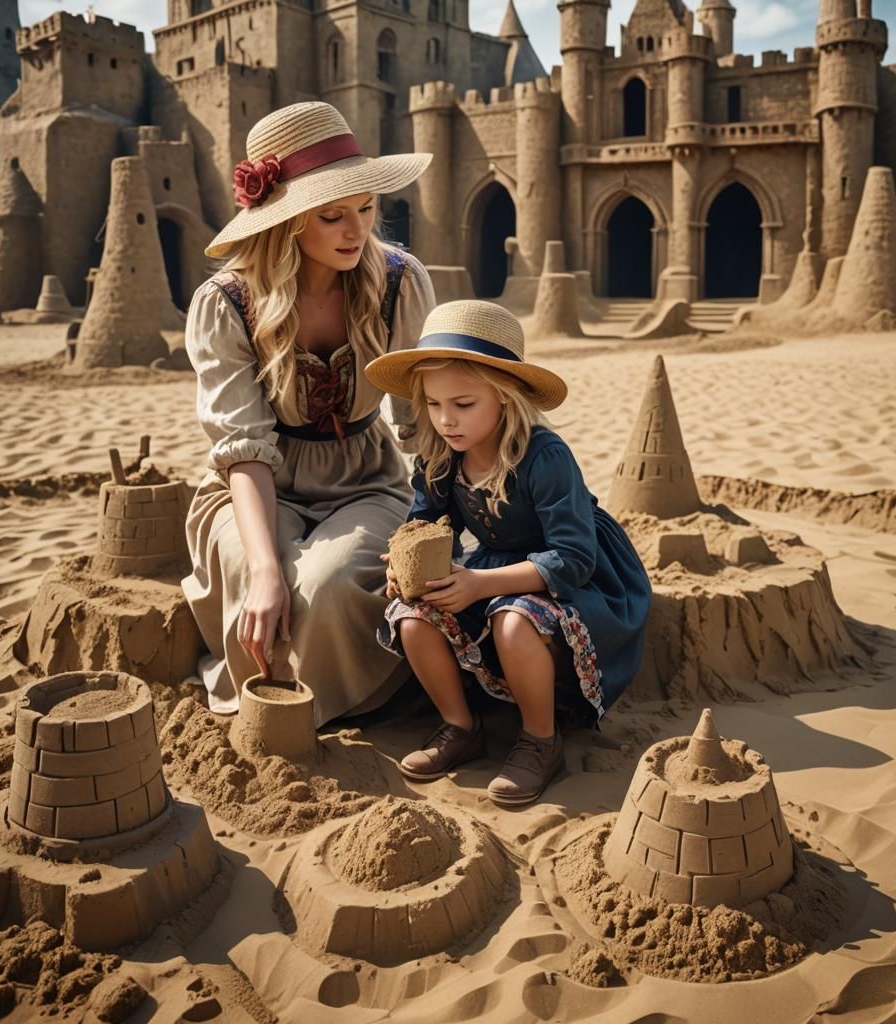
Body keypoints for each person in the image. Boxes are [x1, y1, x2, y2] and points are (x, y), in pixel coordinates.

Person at [181, 101, 436, 722]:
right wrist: (266, 568)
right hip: (255, 485)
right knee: (256, 578)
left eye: (367, 208)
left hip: (366, 479)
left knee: (326, 582)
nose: (357, 231)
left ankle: (327, 710)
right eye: (332, 215)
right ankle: (268, 706)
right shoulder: (226, 304)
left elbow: (423, 423)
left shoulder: (399, 283)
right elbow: (243, 447)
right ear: (290, 220)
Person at [364, 300, 652, 805]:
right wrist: (406, 562)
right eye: (433, 404)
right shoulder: (439, 456)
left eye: (463, 404)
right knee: (411, 613)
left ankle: (540, 739)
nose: (446, 419)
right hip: (495, 568)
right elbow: (421, 522)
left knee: (513, 621)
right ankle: (460, 726)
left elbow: (574, 557)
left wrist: (479, 585)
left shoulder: (545, 457)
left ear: (505, 396)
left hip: (573, 575)